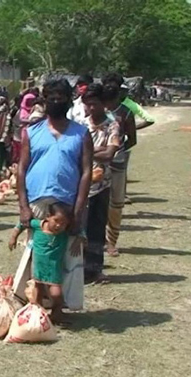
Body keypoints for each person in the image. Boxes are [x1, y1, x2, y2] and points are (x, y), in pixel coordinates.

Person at [17, 79, 93, 318]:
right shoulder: (31, 132)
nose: (56, 100)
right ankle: (34, 306)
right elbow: (21, 169)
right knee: (37, 255)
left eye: (61, 96)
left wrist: (78, 211)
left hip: (67, 206)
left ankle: (61, 306)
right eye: (51, 96)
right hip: (36, 203)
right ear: (44, 100)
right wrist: (23, 207)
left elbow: (87, 172)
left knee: (66, 257)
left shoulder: (81, 133)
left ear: (69, 100)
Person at [9, 203, 79, 323]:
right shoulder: (38, 226)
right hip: (38, 266)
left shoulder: (64, 232)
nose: (59, 225)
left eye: (63, 223)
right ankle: (38, 314)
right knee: (37, 290)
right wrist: (13, 237)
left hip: (54, 268)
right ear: (47, 217)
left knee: (56, 293)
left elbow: (80, 231)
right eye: (56, 220)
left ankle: (57, 312)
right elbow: (22, 224)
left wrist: (80, 240)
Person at [82, 83, 121, 284]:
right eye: (87, 104)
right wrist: (96, 150)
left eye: (94, 104)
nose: (91, 109)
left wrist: (86, 151)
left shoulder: (112, 125)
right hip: (80, 185)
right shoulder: (80, 123)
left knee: (96, 228)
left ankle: (94, 269)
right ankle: (77, 268)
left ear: (103, 104)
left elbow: (109, 154)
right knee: (79, 227)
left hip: (101, 185)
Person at [101, 74, 136, 257]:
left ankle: (111, 242)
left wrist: (118, 151)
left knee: (115, 204)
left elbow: (132, 138)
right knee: (96, 203)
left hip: (117, 163)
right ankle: (97, 240)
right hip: (98, 163)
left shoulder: (125, 112)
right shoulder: (95, 111)